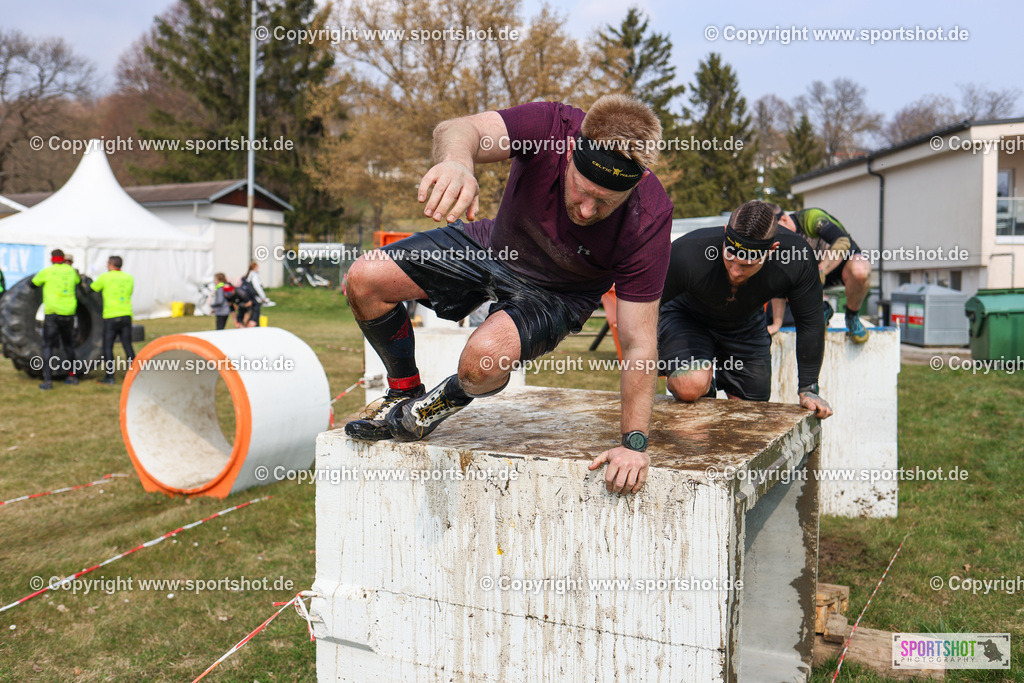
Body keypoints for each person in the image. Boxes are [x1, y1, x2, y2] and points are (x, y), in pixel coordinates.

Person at [344, 95, 673, 495]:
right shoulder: (551, 126)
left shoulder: (649, 216)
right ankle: (403, 389)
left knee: (482, 362)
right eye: (581, 191)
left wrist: (634, 444)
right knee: (364, 277)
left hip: (557, 295)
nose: (586, 211)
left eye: (604, 202)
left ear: (636, 183)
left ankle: (436, 403)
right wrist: (457, 162)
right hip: (494, 247)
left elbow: (640, 341)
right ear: (569, 152)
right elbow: (459, 128)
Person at [658, 200, 833, 419]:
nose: (735, 271)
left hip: (745, 324)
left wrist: (808, 387)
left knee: (750, 414)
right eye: (730, 258)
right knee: (690, 384)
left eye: (747, 265)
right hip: (688, 317)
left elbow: (810, 321)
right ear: (725, 234)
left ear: (772, 249)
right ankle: (704, 388)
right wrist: (655, 356)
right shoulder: (689, 251)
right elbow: (648, 305)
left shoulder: (796, 258)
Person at [767, 204, 872, 343]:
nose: (778, 239)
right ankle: (821, 310)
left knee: (860, 270)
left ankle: (852, 316)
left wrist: (820, 271)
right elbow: (777, 283)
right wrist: (777, 323)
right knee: (785, 275)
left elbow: (842, 241)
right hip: (815, 275)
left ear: (784, 220)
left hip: (842, 263)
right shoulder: (781, 246)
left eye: (778, 233)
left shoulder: (810, 217)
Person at [30, 249, 80, 390]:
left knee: (48, 345)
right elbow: (77, 281)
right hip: (68, 313)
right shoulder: (71, 271)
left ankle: (48, 380)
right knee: (69, 345)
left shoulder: (47, 271)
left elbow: (33, 283)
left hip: (52, 313)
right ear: (63, 258)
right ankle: (72, 376)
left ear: (52, 259)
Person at [91, 255, 135, 385]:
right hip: (126, 315)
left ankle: (110, 376)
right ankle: (136, 374)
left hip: (111, 316)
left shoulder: (105, 277)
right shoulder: (129, 278)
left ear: (110, 264)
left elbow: (93, 288)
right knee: (128, 346)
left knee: (108, 347)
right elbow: (130, 292)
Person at [244, 261, 269, 326]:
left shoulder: (249, 275)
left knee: (249, 314)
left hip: (249, 298)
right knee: (254, 317)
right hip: (255, 298)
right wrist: (263, 297)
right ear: (255, 267)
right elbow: (257, 287)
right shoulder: (254, 275)